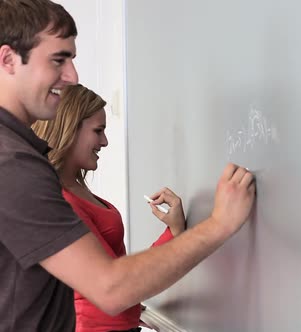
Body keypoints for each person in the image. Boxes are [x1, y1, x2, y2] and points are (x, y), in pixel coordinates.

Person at [0, 0, 256, 330]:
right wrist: (220, 224)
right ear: (8, 60)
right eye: (58, 60)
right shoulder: (13, 166)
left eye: (72, 60)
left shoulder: (19, 156)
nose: (72, 75)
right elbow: (110, 287)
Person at [32, 83, 186, 331]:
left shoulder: (75, 191)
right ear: (70, 129)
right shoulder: (62, 200)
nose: (104, 141)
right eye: (98, 130)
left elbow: (119, 273)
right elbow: (116, 284)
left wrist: (173, 233)